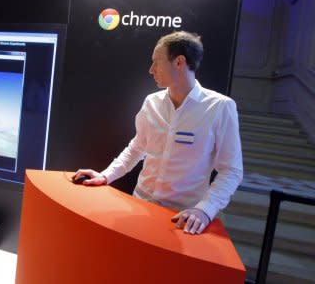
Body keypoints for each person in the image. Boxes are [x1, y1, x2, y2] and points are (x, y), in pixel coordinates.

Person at [73, 31, 243, 235]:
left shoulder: (220, 107)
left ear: (179, 62)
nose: (151, 70)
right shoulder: (151, 102)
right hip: (140, 205)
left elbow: (231, 171)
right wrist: (106, 175)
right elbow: (137, 147)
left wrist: (204, 210)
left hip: (181, 219)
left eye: (157, 62)